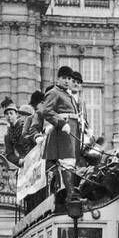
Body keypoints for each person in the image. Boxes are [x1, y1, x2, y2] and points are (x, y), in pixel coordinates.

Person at [37, 65, 81, 199]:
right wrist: (61, 123)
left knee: (71, 163)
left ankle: (71, 193)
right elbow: (46, 111)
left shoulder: (68, 94)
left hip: (71, 132)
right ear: (58, 79)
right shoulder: (54, 92)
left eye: (69, 78)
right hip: (62, 133)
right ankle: (70, 195)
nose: (67, 81)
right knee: (67, 162)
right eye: (64, 78)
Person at [2, 97, 32, 167]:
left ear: (16, 115)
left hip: (34, 157)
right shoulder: (7, 135)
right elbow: (9, 154)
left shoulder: (25, 126)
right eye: (7, 114)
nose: (9, 116)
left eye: (11, 113)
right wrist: (18, 160)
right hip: (23, 162)